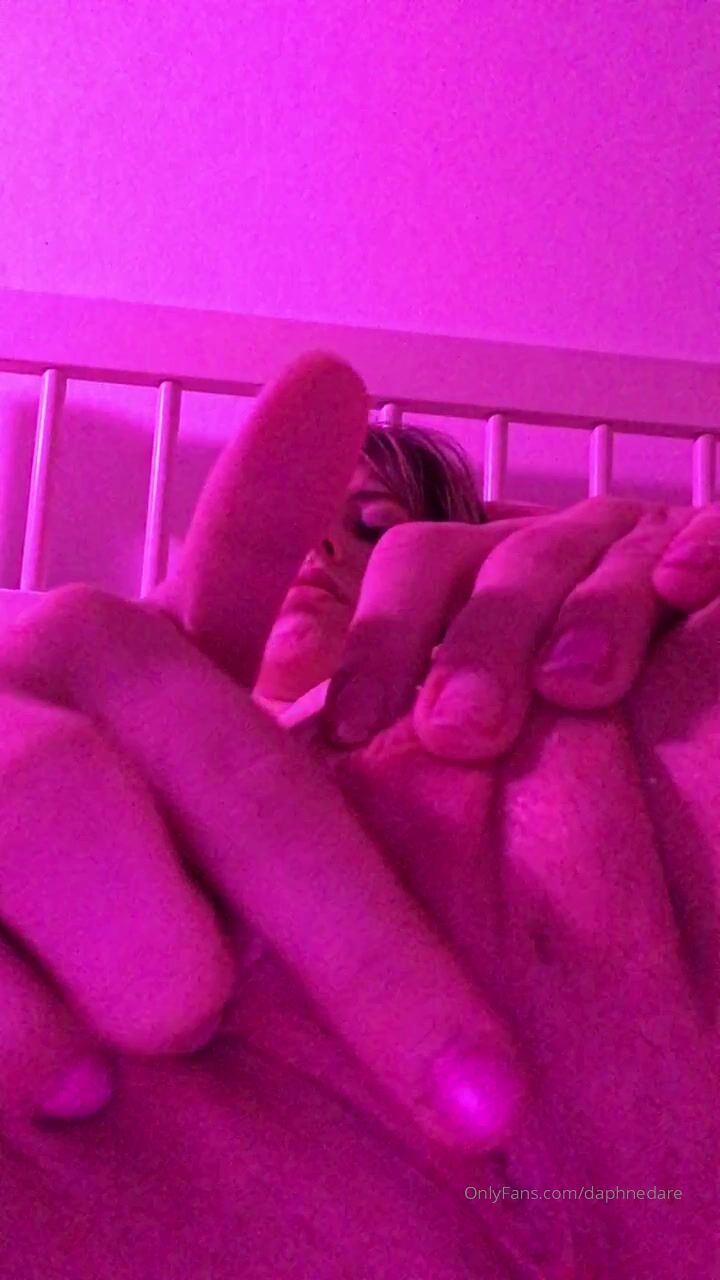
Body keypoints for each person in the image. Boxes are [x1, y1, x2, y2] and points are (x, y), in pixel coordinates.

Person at [0, 353, 717, 1278]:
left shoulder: (538, 702)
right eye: (305, 525)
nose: (320, 550)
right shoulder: (62, 744)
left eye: (372, 525)